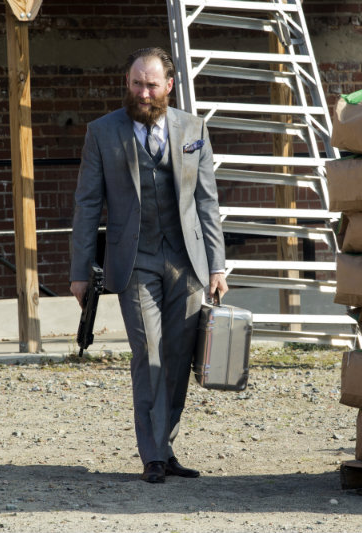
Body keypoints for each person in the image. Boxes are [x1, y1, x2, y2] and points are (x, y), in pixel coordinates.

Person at [70, 47, 228, 484]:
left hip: (186, 261)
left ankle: (166, 444)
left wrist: (217, 266)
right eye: (137, 83)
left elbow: (207, 201)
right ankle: (152, 455)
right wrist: (80, 271)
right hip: (135, 261)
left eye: (152, 85)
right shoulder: (102, 132)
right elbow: (87, 205)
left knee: (178, 356)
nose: (143, 93)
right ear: (127, 82)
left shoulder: (193, 129)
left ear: (169, 85)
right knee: (149, 352)